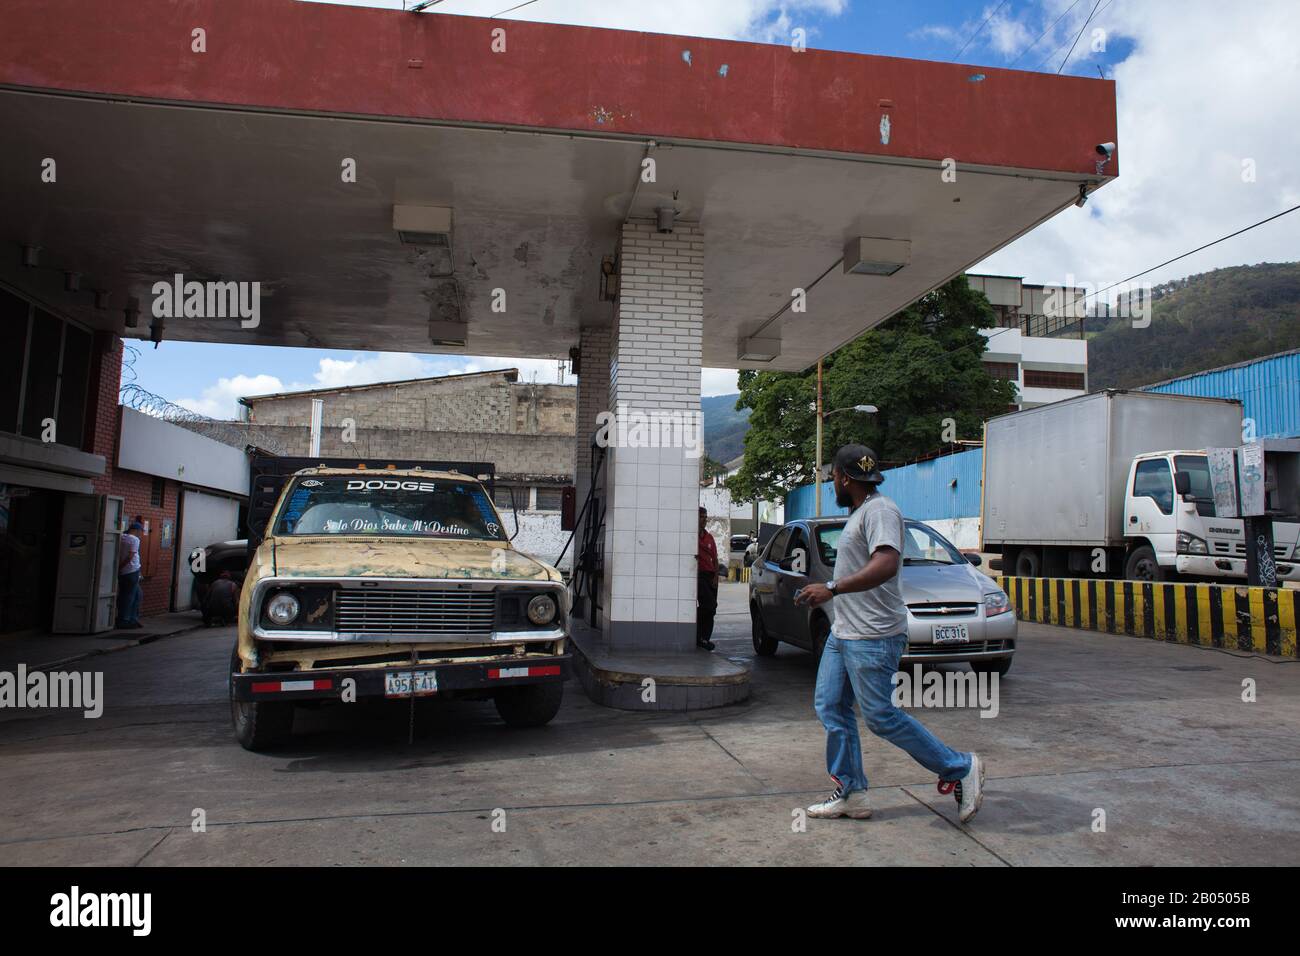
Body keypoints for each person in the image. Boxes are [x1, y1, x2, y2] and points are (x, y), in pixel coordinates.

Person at [794, 445, 984, 823]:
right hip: (845, 633)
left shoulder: (880, 510)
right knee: (831, 706)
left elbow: (886, 563)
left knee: (880, 716)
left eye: (833, 477)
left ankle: (959, 767)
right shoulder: (861, 512)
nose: (832, 482)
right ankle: (852, 792)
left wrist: (832, 588)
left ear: (845, 478)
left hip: (873, 636)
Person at [696, 507, 719, 651]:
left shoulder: (709, 537)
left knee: (711, 609)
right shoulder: (692, 537)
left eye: (705, 517)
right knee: (709, 606)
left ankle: (705, 638)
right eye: (701, 517)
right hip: (699, 575)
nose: (704, 520)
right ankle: (699, 636)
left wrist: (716, 576)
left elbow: (715, 559)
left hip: (710, 576)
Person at [116, 519, 144, 629]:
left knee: (137, 595)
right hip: (131, 571)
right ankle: (125, 620)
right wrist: (120, 567)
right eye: (140, 531)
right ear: (136, 530)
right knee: (129, 596)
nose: (141, 533)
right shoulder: (134, 539)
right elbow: (130, 556)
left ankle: (133, 619)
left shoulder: (121, 537)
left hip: (128, 571)